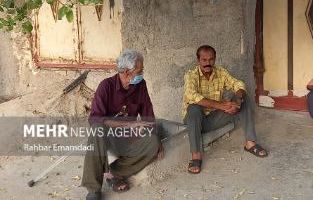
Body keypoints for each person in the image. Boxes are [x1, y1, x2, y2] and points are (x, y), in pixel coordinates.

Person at [82, 50, 162, 200]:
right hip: (109, 139)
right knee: (97, 129)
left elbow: (147, 114)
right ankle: (93, 188)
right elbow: (94, 119)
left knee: (153, 142)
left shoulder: (140, 85)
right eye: (140, 71)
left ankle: (113, 173)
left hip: (129, 139)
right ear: (126, 72)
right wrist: (126, 125)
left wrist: (156, 139)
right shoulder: (105, 86)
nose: (142, 73)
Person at [182, 45, 268, 174]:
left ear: (215, 59)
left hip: (213, 119)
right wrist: (221, 105)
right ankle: (196, 155)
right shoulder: (191, 75)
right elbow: (192, 95)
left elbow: (238, 84)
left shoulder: (220, 72)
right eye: (204, 60)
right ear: (198, 61)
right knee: (193, 107)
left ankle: (250, 143)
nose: (208, 63)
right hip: (194, 121)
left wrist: (237, 102)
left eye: (211, 60)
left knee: (244, 98)